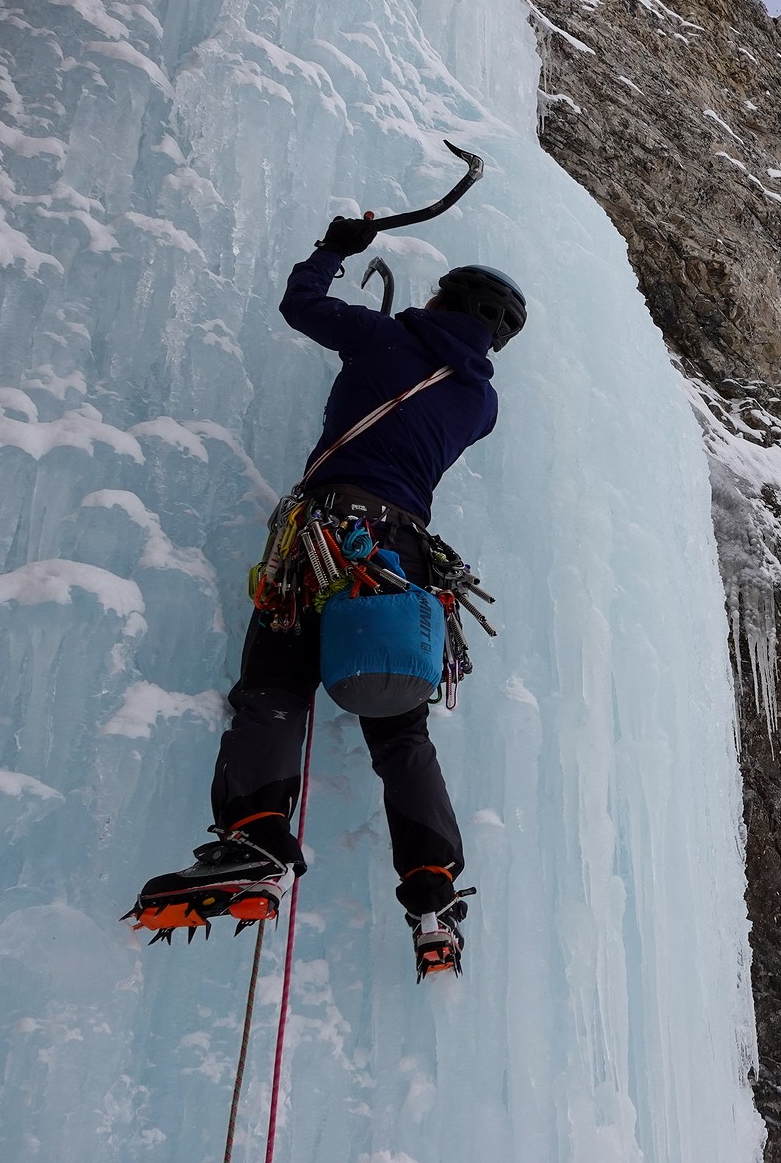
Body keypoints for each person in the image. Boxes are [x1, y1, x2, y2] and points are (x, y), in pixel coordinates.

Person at [130, 215, 527, 979]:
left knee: (275, 688)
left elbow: (300, 304)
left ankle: (254, 837)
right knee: (401, 736)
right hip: (404, 560)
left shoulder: (383, 340)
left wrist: (337, 247)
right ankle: (434, 896)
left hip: (326, 538)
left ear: (443, 297)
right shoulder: (480, 404)